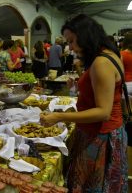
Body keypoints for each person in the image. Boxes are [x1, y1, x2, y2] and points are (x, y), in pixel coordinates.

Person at [40, 14, 127, 192]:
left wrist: (59, 116)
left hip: (100, 135)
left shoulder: (101, 62)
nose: (70, 47)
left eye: (71, 41)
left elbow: (103, 111)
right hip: (104, 132)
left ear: (85, 35)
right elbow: (102, 93)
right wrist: (81, 86)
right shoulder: (108, 54)